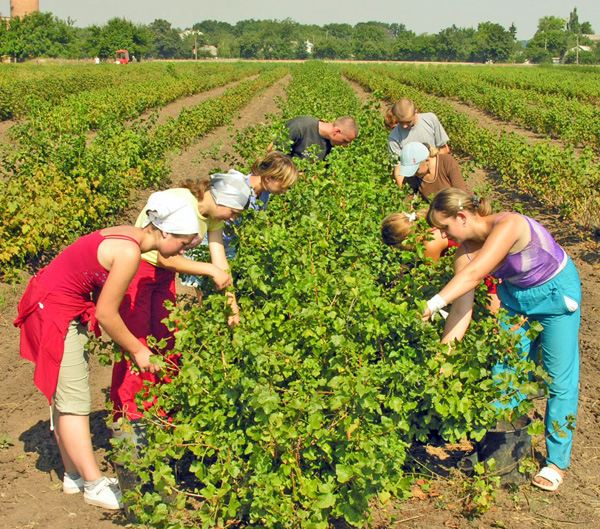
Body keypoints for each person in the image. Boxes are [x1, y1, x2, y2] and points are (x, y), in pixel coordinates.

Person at [14, 193, 199, 510]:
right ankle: (93, 484)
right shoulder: (129, 253)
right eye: (182, 243)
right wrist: (139, 349)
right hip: (54, 312)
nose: (182, 251)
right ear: (165, 233)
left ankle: (72, 475)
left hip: (54, 302)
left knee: (65, 393)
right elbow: (105, 314)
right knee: (74, 401)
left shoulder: (129, 235)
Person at [421, 189, 581, 492]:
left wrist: (429, 306)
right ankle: (502, 451)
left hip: (555, 295)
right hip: (516, 300)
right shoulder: (464, 251)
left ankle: (556, 462)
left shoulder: (510, 225)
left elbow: (477, 273)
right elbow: (460, 310)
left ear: (462, 217)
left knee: (560, 379)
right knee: (505, 374)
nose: (442, 235)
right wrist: (443, 359)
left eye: (444, 227)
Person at [110, 171, 254, 425]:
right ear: (219, 200)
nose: (232, 219)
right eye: (232, 213)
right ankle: (129, 418)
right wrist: (209, 270)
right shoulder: (180, 204)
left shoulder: (211, 217)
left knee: (165, 340)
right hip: (136, 271)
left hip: (164, 276)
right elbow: (166, 255)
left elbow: (219, 259)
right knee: (137, 343)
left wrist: (232, 304)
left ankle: (162, 410)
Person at [180, 151, 299, 297]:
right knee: (205, 288)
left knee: (224, 284)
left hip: (228, 244)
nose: (285, 191)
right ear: (268, 178)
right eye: (284, 185)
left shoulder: (265, 193)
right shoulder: (239, 188)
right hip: (208, 240)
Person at [381, 209, 500, 312]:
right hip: (473, 258)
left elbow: (430, 276)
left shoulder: (429, 246)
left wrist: (408, 291)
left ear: (406, 239)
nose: (402, 251)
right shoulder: (426, 225)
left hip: (481, 265)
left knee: (495, 314)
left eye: (400, 247)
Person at [388, 98, 450, 188]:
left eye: (408, 121)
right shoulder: (394, 137)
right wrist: (407, 193)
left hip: (438, 173)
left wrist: (432, 173)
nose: (405, 126)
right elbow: (398, 170)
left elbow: (444, 149)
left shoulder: (430, 120)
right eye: (401, 122)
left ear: (416, 112)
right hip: (414, 179)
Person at [398, 142, 470, 201]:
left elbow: (461, 195)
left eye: (416, 170)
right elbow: (406, 199)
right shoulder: (413, 176)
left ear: (427, 160)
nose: (413, 174)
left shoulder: (446, 162)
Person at [269, 116, 358, 161]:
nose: (344, 145)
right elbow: (272, 152)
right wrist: (293, 174)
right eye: (345, 141)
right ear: (337, 131)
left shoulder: (330, 145)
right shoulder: (300, 126)